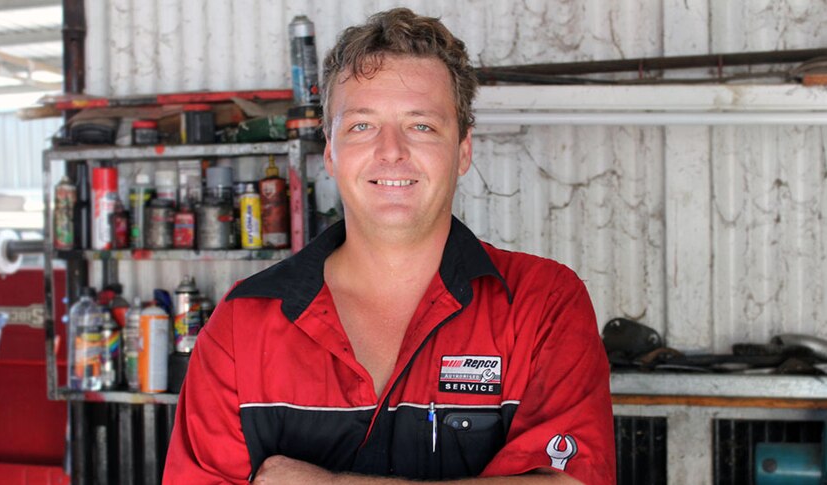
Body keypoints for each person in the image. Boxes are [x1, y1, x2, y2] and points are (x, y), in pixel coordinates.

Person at [164, 8, 615, 485]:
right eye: (362, 125)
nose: (391, 150)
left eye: (421, 125)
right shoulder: (243, 325)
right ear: (331, 152)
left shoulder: (541, 304)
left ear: (463, 149)